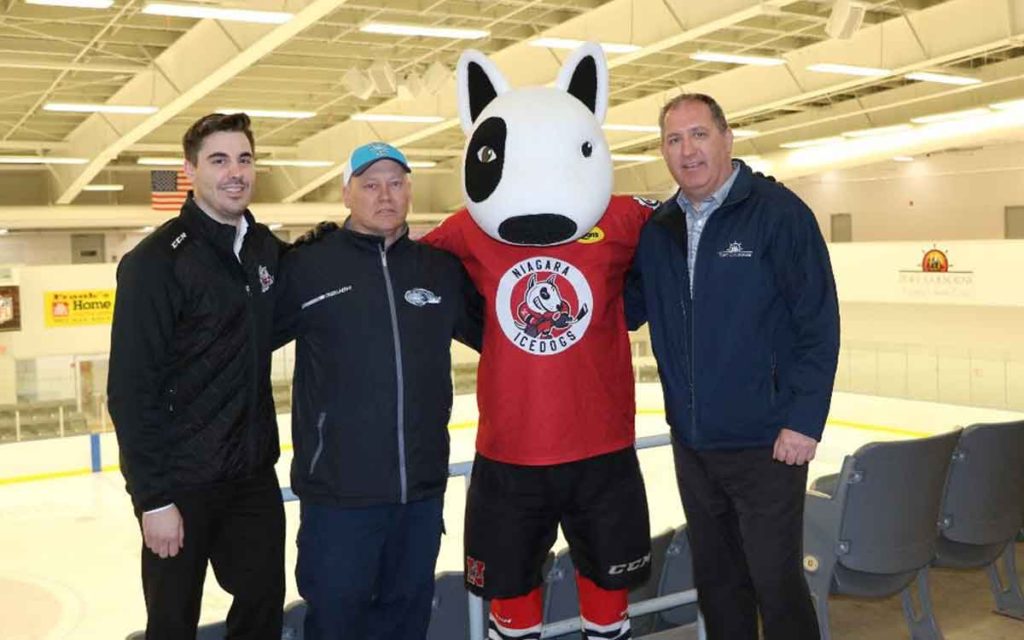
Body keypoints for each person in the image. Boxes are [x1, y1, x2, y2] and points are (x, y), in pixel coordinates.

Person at [626, 93, 840, 640]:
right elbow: (623, 309)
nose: (687, 150)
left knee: (776, 583)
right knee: (719, 585)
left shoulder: (778, 214)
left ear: (727, 138)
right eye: (673, 140)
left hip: (767, 442)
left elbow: (818, 322)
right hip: (694, 444)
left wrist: (803, 421)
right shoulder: (661, 230)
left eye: (698, 134)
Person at [274, 142, 481, 640]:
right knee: (336, 627)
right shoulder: (308, 268)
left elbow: (503, 338)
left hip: (420, 498)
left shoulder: (438, 270)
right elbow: (242, 345)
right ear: (346, 194)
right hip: (339, 502)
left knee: (406, 624)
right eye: (370, 185)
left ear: (409, 190)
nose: (384, 195)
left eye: (395, 183)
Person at [107, 112, 285, 639]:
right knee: (172, 623)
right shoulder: (156, 262)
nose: (236, 172)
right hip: (180, 484)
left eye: (245, 159)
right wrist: (153, 498)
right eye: (219, 160)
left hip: (251, 479)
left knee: (261, 612)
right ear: (190, 171)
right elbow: (129, 391)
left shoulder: (262, 247)